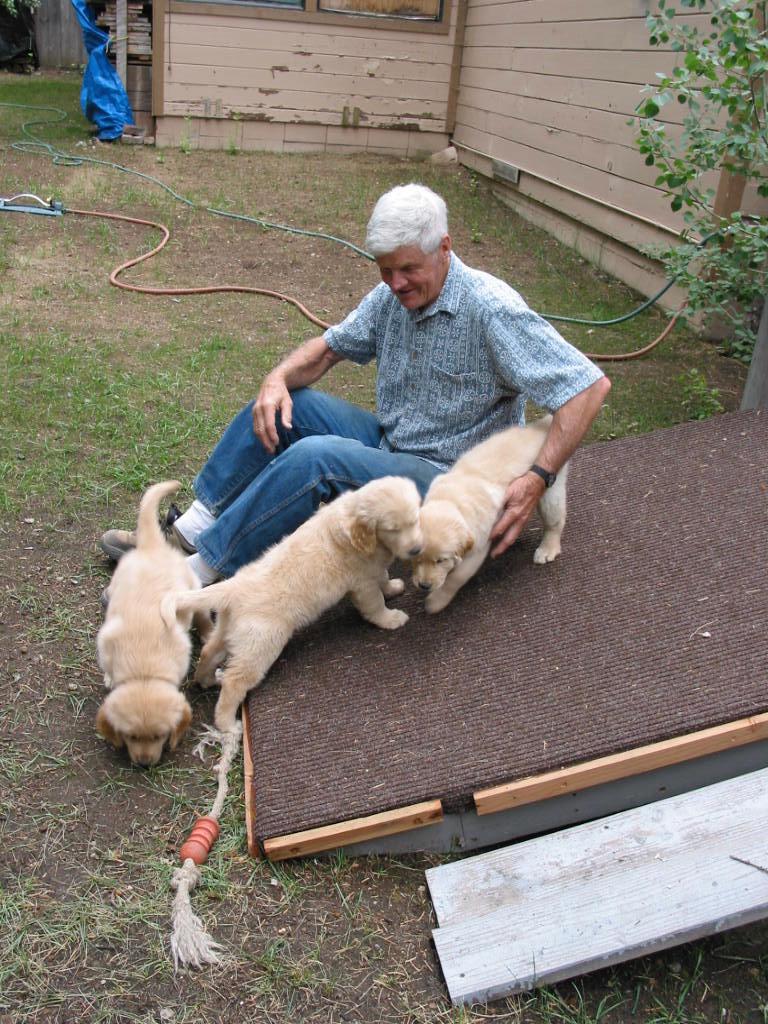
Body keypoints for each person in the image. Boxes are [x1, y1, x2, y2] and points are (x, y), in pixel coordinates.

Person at [101, 183, 611, 583]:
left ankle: (196, 575)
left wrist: (537, 479)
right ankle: (193, 528)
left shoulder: (492, 310)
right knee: (290, 404)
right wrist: (276, 378)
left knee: (316, 458)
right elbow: (328, 349)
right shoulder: (393, 295)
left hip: (455, 481)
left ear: (445, 248)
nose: (396, 284)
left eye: (408, 269)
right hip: (397, 445)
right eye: (386, 271)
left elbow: (588, 387)